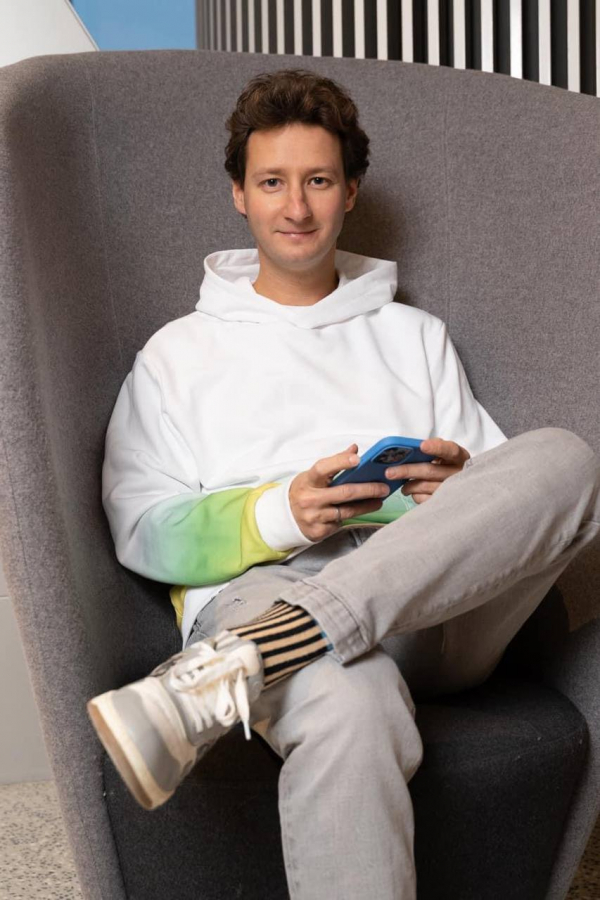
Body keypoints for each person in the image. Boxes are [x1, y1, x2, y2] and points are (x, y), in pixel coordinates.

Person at [87, 68, 600, 899]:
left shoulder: (415, 335)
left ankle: (252, 661)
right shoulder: (177, 354)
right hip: (260, 591)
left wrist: (457, 489)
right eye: (273, 182)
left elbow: (522, 508)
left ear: (350, 192)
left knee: (567, 459)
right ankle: (281, 639)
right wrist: (280, 513)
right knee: (349, 703)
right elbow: (142, 529)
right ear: (239, 195)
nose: (296, 207)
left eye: (319, 181)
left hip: (430, 612)